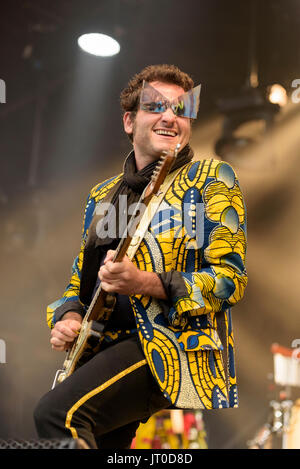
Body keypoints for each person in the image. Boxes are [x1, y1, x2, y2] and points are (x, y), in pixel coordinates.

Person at [34, 64, 248, 449]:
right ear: (129, 121)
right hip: (104, 348)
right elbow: (79, 280)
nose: (171, 117)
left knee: (57, 416)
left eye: (181, 110)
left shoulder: (212, 178)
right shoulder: (102, 194)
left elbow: (229, 281)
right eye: (157, 107)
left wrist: (143, 283)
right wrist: (69, 318)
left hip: (171, 345)